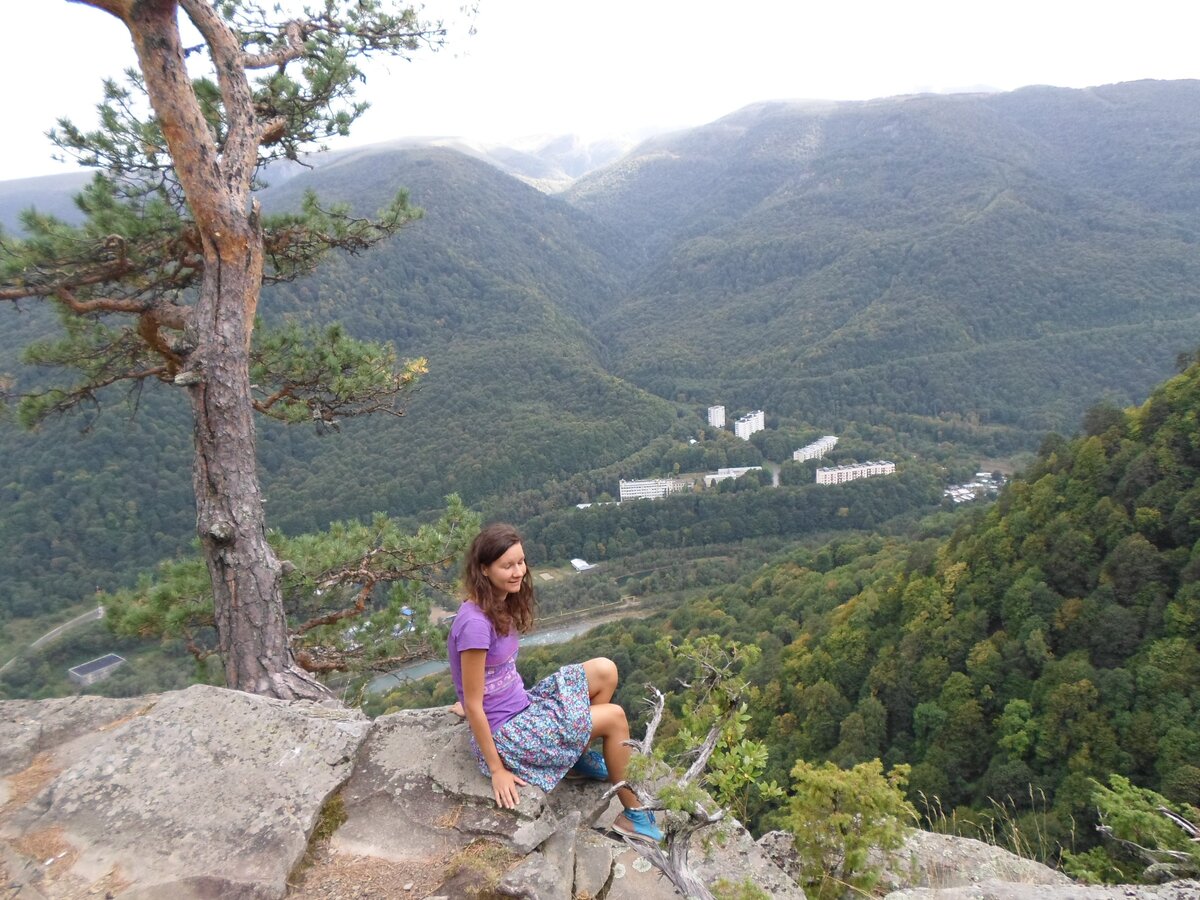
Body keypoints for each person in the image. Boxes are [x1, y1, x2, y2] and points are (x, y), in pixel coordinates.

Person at [447, 523, 663, 843]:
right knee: (615, 717)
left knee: (605, 670)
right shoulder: (476, 624)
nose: (518, 571)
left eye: (521, 562)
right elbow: (477, 702)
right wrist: (496, 770)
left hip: (523, 705)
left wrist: (466, 700)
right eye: (507, 566)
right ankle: (635, 817)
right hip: (510, 734)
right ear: (484, 569)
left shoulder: (495, 601)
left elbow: (481, 684)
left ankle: (575, 757)